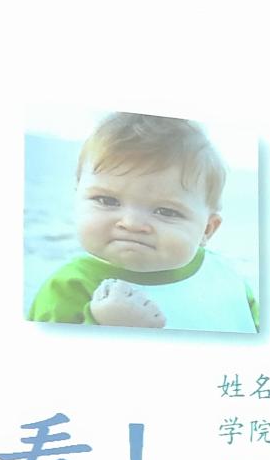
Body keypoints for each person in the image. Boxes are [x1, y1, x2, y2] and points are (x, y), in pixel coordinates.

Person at [27, 112, 258, 333]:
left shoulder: (226, 277)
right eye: (107, 200)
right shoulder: (70, 287)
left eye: (166, 211)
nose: (131, 223)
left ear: (207, 229)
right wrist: (106, 327)